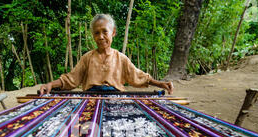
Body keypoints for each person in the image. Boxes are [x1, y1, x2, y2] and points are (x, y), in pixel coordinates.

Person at [39, 14, 174, 95]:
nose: (101, 37)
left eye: (105, 32)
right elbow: (71, 79)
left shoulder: (120, 58)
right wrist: (50, 85)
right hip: (90, 98)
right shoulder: (87, 58)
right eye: (97, 33)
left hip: (116, 97)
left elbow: (138, 76)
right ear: (93, 36)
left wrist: (160, 84)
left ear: (113, 32)